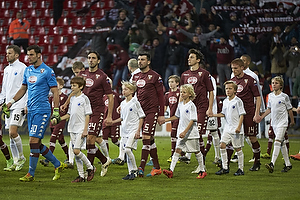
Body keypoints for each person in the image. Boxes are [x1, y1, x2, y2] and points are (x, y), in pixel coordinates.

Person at [6, 45, 66, 182]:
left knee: (33, 141)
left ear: (39, 55)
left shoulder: (48, 72)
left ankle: (30, 174)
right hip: (31, 110)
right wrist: (11, 102)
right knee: (36, 144)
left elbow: (55, 92)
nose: (29, 57)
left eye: (32, 55)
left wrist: (56, 110)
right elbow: (23, 89)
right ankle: (57, 164)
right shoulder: (28, 70)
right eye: (28, 55)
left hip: (42, 110)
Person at [79, 51, 113, 177]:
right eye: (89, 58)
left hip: (97, 111)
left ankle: (90, 170)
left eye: (93, 58)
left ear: (98, 61)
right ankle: (104, 160)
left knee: (90, 139)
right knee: (89, 142)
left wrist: (108, 116)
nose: (91, 60)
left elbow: (110, 97)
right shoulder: (82, 74)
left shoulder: (102, 77)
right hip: (84, 111)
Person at [163, 84, 207, 179]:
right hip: (182, 132)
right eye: (181, 92)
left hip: (191, 133)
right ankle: (171, 171)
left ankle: (203, 170)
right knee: (177, 150)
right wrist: (165, 120)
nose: (182, 94)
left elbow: (193, 120)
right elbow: (176, 116)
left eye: (184, 92)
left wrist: (185, 132)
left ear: (190, 94)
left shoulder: (191, 106)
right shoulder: (180, 104)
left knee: (197, 151)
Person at [132, 53, 165, 177]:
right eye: (139, 59)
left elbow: (161, 96)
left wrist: (161, 114)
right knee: (150, 139)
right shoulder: (135, 76)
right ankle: (157, 167)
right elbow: (133, 94)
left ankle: (141, 167)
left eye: (143, 60)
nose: (140, 62)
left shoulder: (155, 76)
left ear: (149, 62)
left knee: (145, 137)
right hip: (140, 112)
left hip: (151, 110)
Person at [58, 76, 96, 182]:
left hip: (80, 128)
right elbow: (69, 114)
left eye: (74, 85)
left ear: (81, 87)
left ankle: (90, 167)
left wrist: (85, 130)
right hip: (72, 128)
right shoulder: (73, 98)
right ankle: (81, 176)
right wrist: (59, 119)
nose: (72, 87)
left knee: (76, 151)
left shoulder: (84, 99)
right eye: (71, 85)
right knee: (76, 154)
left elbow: (88, 115)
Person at [180, 49, 214, 165]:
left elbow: (211, 92)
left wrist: (209, 108)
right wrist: (180, 108)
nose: (189, 59)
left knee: (198, 134)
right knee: (191, 134)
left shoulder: (204, 74)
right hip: (188, 109)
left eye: (192, 57)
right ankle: (197, 161)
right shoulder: (184, 75)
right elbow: (182, 93)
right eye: (189, 57)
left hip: (201, 107)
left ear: (198, 60)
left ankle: (201, 164)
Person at [109, 81, 145, 180]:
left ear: (132, 91)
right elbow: (122, 118)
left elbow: (141, 117)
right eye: (123, 89)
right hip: (124, 131)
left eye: (126, 89)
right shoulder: (122, 103)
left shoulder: (135, 102)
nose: (123, 91)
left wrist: (138, 131)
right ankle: (131, 173)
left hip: (133, 130)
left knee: (128, 149)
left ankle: (134, 170)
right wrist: (112, 122)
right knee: (127, 152)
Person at [230, 58, 262, 171]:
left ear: (242, 68)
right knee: (231, 136)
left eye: (236, 68)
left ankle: (257, 162)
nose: (234, 70)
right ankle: (226, 165)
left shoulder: (250, 80)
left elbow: (258, 97)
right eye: (232, 68)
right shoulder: (232, 81)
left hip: (249, 112)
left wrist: (256, 113)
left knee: (252, 137)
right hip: (236, 114)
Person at [258, 76, 294, 173]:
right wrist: (261, 117)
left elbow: (289, 109)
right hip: (274, 123)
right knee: (281, 144)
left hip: (282, 123)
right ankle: (288, 164)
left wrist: (292, 121)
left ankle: (272, 163)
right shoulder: (270, 96)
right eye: (273, 83)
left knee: (277, 142)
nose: (274, 84)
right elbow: (269, 109)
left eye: (276, 83)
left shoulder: (284, 96)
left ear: (281, 85)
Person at [0, 45, 27, 171]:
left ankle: (21, 157)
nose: (7, 55)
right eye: (7, 53)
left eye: (10, 53)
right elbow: (4, 89)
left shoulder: (23, 68)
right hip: (8, 105)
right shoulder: (6, 69)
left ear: (17, 55)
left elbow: (26, 88)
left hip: (19, 104)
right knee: (10, 135)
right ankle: (15, 162)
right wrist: (2, 103)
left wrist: (26, 103)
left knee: (12, 132)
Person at [214, 81, 246, 176]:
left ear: (235, 90)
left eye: (230, 88)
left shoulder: (238, 101)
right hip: (227, 128)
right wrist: (213, 115)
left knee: (237, 148)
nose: (228, 90)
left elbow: (242, 115)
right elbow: (223, 114)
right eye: (227, 88)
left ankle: (241, 169)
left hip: (236, 129)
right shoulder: (225, 101)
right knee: (222, 145)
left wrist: (239, 127)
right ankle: (225, 167)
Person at [39, 78, 69, 167]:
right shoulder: (51, 97)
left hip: (60, 121)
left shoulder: (65, 97)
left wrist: (61, 118)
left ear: (61, 86)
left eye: (56, 84)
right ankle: (69, 158)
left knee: (53, 138)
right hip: (53, 121)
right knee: (61, 140)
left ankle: (48, 159)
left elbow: (66, 110)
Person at [165, 75, 180, 162]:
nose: (170, 84)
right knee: (176, 136)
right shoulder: (167, 94)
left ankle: (173, 155)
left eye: (172, 82)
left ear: (177, 83)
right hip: (172, 118)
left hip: (179, 117)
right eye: (169, 82)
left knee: (173, 134)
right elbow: (165, 106)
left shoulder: (180, 93)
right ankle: (181, 154)